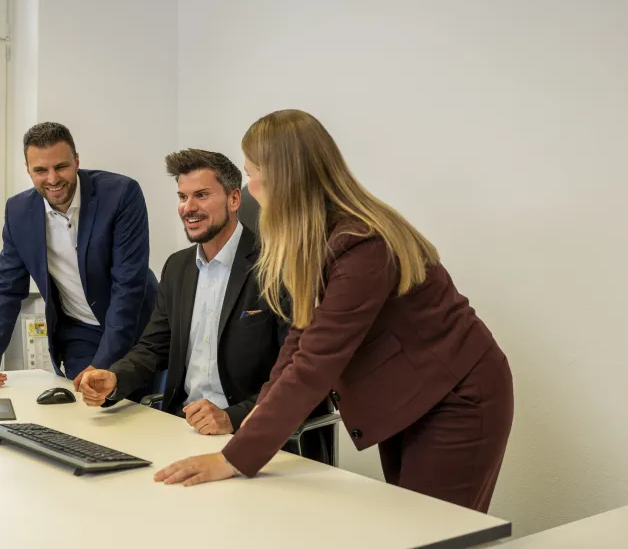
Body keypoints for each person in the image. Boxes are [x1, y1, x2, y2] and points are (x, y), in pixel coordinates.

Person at [155, 109, 514, 514]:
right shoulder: (311, 236)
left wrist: (232, 459)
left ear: (282, 177)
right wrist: (255, 416)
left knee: (434, 530)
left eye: (252, 173)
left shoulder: (361, 243)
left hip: (456, 396)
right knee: (410, 526)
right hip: (409, 396)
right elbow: (299, 341)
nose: (250, 188)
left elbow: (317, 362)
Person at [77, 149, 287, 434]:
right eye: (182, 197)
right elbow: (153, 347)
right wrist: (115, 379)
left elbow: (295, 373)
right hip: (183, 426)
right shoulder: (178, 267)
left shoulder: (276, 266)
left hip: (249, 432)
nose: (189, 207)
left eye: (202, 195)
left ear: (234, 199)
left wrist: (232, 418)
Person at [0, 122, 158, 383]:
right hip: (80, 332)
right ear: (28, 169)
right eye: (40, 170)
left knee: (135, 403)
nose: (53, 179)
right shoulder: (18, 211)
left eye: (61, 166)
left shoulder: (121, 194)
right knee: (83, 402)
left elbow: (128, 286)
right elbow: (8, 289)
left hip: (138, 327)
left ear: (76, 161)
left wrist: (102, 364)